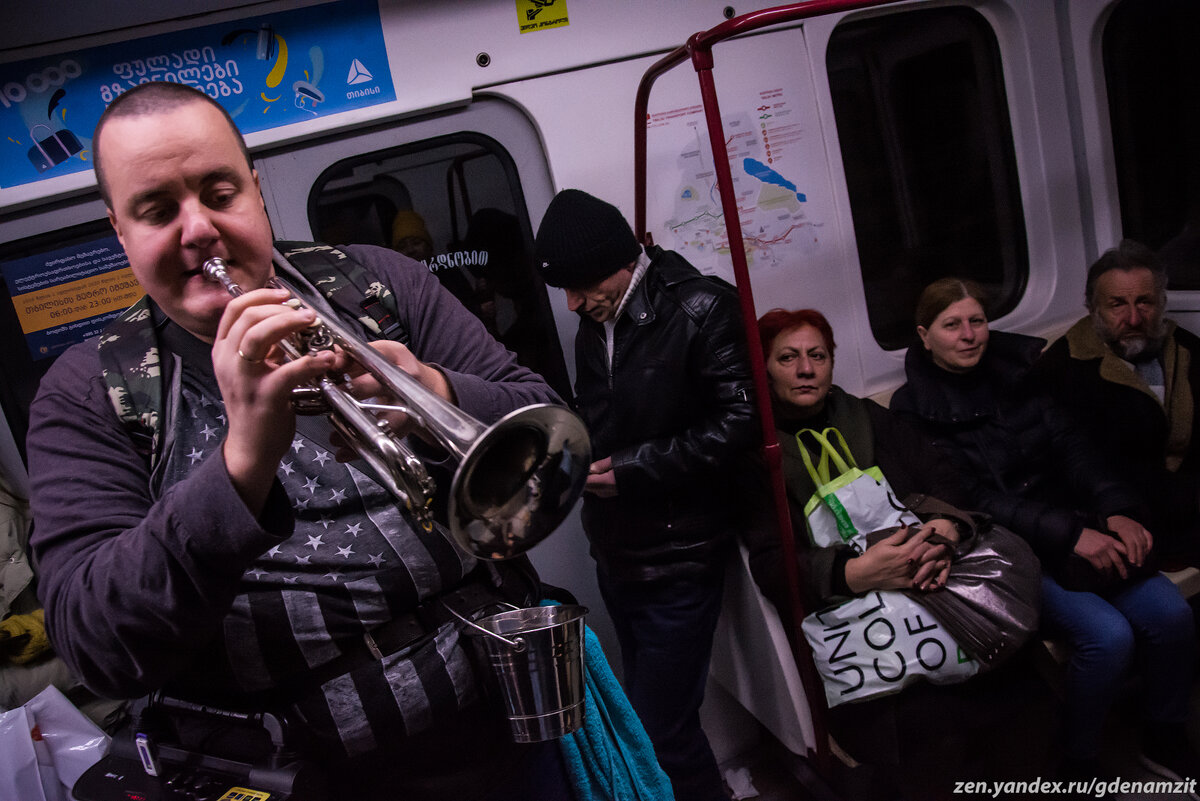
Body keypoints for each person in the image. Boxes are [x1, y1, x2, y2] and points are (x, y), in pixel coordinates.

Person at [26, 82, 576, 800]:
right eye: (158, 211)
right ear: (121, 233)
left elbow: (544, 424)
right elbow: (95, 643)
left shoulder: (378, 285)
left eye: (219, 192)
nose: (198, 231)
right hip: (300, 776)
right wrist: (241, 463)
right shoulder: (87, 389)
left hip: (498, 732)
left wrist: (436, 391)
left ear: (255, 191)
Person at [890, 278, 1198, 783]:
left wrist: (1116, 509)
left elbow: (1073, 448)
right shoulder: (911, 410)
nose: (969, 335)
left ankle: (1162, 730)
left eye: (977, 321)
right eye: (952, 325)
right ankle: (1078, 761)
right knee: (1107, 636)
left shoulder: (1018, 375)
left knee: (1171, 615)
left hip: (1072, 522)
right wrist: (1071, 535)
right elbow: (973, 501)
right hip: (1007, 551)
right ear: (924, 336)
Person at [746, 307, 1048, 800]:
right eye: (788, 357)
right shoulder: (757, 456)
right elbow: (768, 564)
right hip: (851, 617)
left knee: (1022, 679)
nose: (806, 369)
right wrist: (850, 573)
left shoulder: (863, 417)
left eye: (817, 355)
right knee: (928, 727)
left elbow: (943, 478)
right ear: (765, 369)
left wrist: (944, 531)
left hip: (929, 583)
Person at [534, 188, 758, 801]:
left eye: (580, 286)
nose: (574, 304)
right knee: (650, 722)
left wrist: (633, 468)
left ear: (618, 262)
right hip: (618, 549)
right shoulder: (595, 323)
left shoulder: (703, 308)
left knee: (660, 731)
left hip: (680, 552)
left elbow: (741, 423)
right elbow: (605, 419)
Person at [1033, 240, 1200, 566]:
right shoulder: (1061, 371)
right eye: (1117, 305)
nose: (1134, 318)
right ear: (1092, 308)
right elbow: (1088, 469)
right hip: (1131, 518)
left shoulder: (1187, 350)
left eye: (1145, 302)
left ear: (1162, 302)